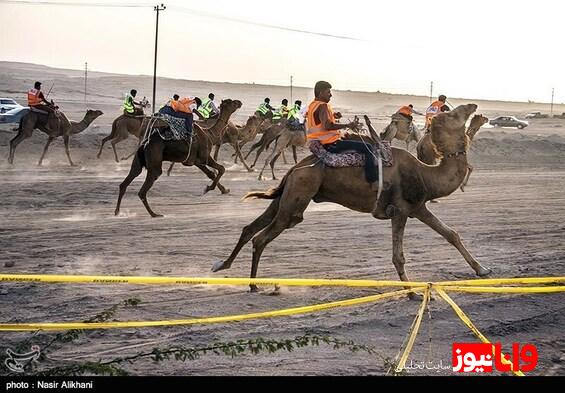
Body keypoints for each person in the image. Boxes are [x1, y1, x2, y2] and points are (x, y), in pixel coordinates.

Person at [306, 81, 377, 187]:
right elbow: (327, 126)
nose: (331, 94)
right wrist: (348, 125)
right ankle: (373, 180)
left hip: (319, 141)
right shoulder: (323, 106)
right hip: (330, 143)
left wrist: (334, 116)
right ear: (321, 93)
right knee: (368, 147)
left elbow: (319, 121)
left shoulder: (313, 105)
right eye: (328, 92)